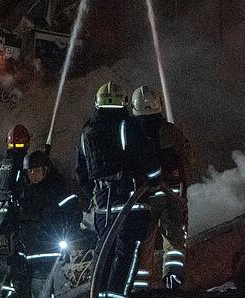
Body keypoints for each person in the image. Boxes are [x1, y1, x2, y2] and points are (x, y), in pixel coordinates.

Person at [76, 82, 161, 296]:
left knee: (103, 255)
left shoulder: (87, 132)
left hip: (103, 208)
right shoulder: (129, 126)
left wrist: (95, 199)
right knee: (126, 256)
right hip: (131, 203)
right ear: (123, 102)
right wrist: (153, 179)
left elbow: (81, 174)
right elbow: (150, 165)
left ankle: (98, 294)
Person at [131, 85, 193, 290]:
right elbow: (187, 157)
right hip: (171, 195)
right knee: (174, 239)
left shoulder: (131, 132)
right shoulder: (170, 130)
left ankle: (141, 288)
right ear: (159, 105)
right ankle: (173, 281)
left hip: (143, 198)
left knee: (143, 244)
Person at [10, 150, 82, 297]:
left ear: (45, 170)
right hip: (25, 257)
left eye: (36, 170)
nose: (32, 174)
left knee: (42, 291)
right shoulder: (24, 193)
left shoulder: (57, 191)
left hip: (46, 255)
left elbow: (74, 214)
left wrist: (68, 236)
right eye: (29, 171)